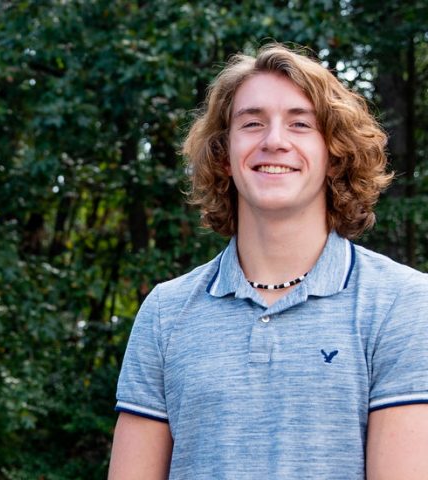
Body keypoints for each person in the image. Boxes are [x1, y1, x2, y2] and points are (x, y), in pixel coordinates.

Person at [108, 43, 428, 479]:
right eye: (252, 123)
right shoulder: (166, 312)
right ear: (223, 155)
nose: (273, 141)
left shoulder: (402, 304)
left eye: (300, 124)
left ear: (334, 156)